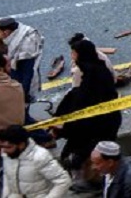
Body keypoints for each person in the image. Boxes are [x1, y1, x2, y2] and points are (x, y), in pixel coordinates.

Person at [51, 38, 122, 191]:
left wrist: (64, 126)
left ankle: (91, 183)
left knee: (79, 156)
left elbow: (83, 104)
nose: (71, 55)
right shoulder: (98, 67)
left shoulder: (86, 74)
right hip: (106, 122)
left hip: (96, 126)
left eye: (73, 52)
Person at [0, 124, 72, 198]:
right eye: (2, 147)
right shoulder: (6, 154)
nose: (4, 151)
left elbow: (63, 180)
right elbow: (7, 176)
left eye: (8, 147)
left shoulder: (40, 156)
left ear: (21, 145)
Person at [0, 18, 43, 104]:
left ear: (6, 32)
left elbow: (28, 74)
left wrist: (22, 94)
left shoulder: (25, 48)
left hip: (20, 81)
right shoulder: (14, 33)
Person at [0, 51, 25, 139]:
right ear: (0, 69)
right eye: (8, 66)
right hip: (15, 135)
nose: (11, 69)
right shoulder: (16, 86)